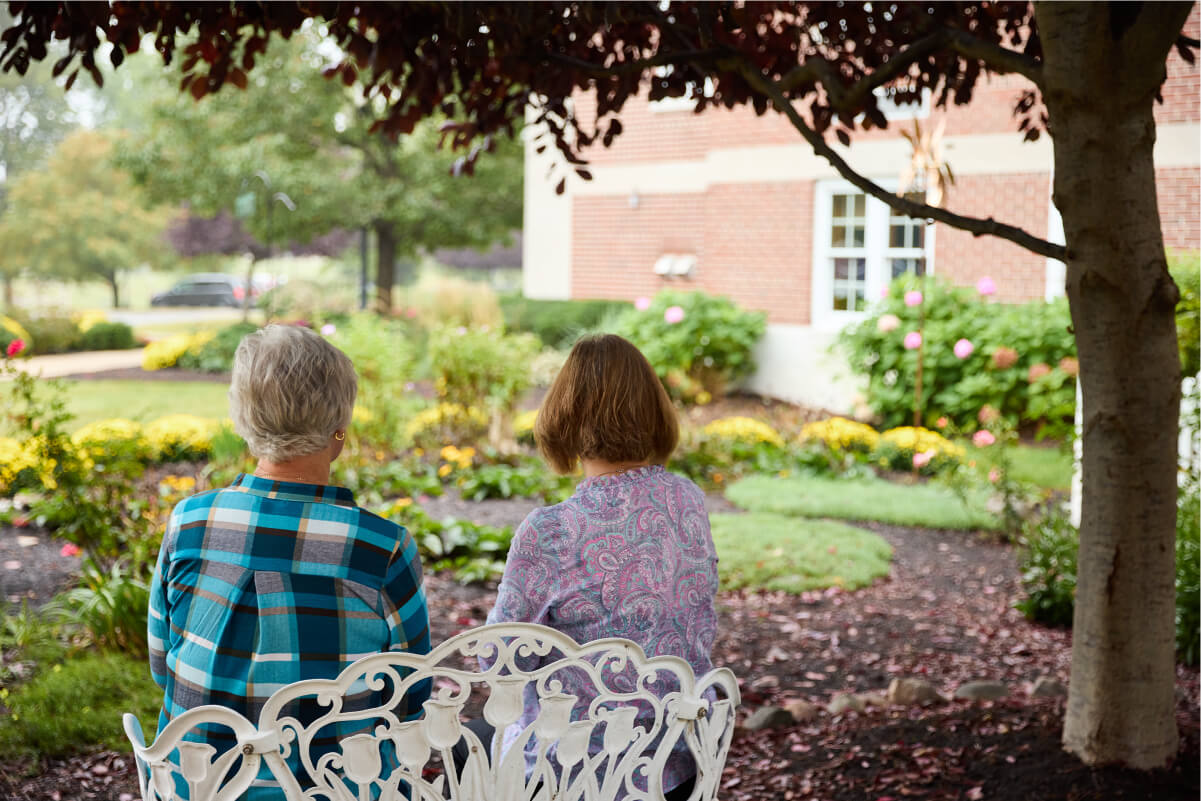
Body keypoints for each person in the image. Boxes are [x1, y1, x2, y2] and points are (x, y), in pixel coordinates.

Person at [148, 324, 431, 797]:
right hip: (333, 789)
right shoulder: (383, 547)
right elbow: (408, 694)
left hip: (198, 785)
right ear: (340, 427)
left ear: (243, 419)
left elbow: (163, 666)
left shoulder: (189, 523)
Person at [465, 333, 719, 799]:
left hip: (578, 773)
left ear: (565, 415)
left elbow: (497, 663)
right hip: (679, 763)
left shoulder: (553, 530)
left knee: (465, 751)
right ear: (655, 411)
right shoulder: (688, 501)